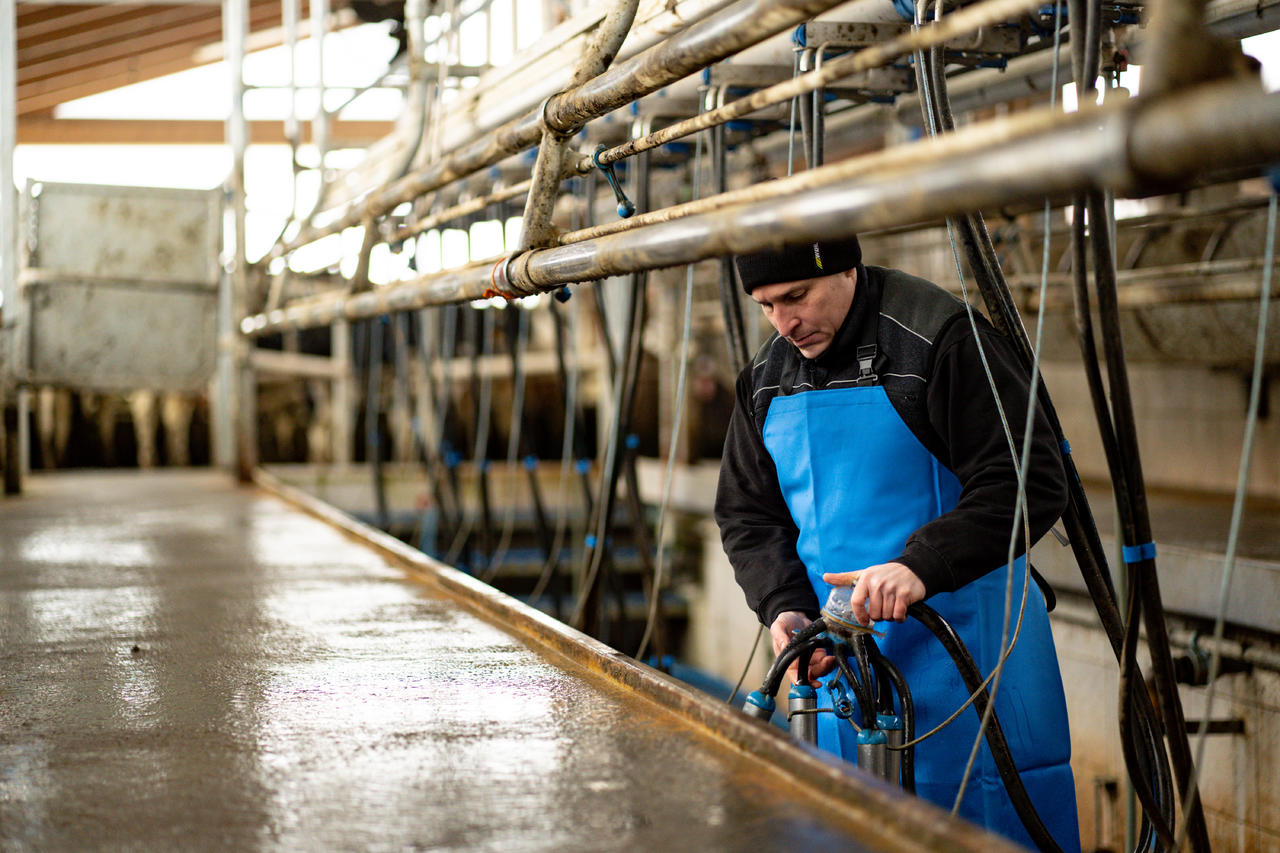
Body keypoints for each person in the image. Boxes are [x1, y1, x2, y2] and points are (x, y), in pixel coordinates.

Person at [714, 234, 1081, 851]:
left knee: (979, 822)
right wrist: (784, 607)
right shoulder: (767, 376)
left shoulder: (938, 338)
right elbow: (749, 514)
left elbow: (1029, 478)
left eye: (796, 297)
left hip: (967, 652)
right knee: (849, 827)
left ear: (846, 268)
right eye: (766, 306)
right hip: (841, 663)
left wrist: (922, 565)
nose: (785, 322)